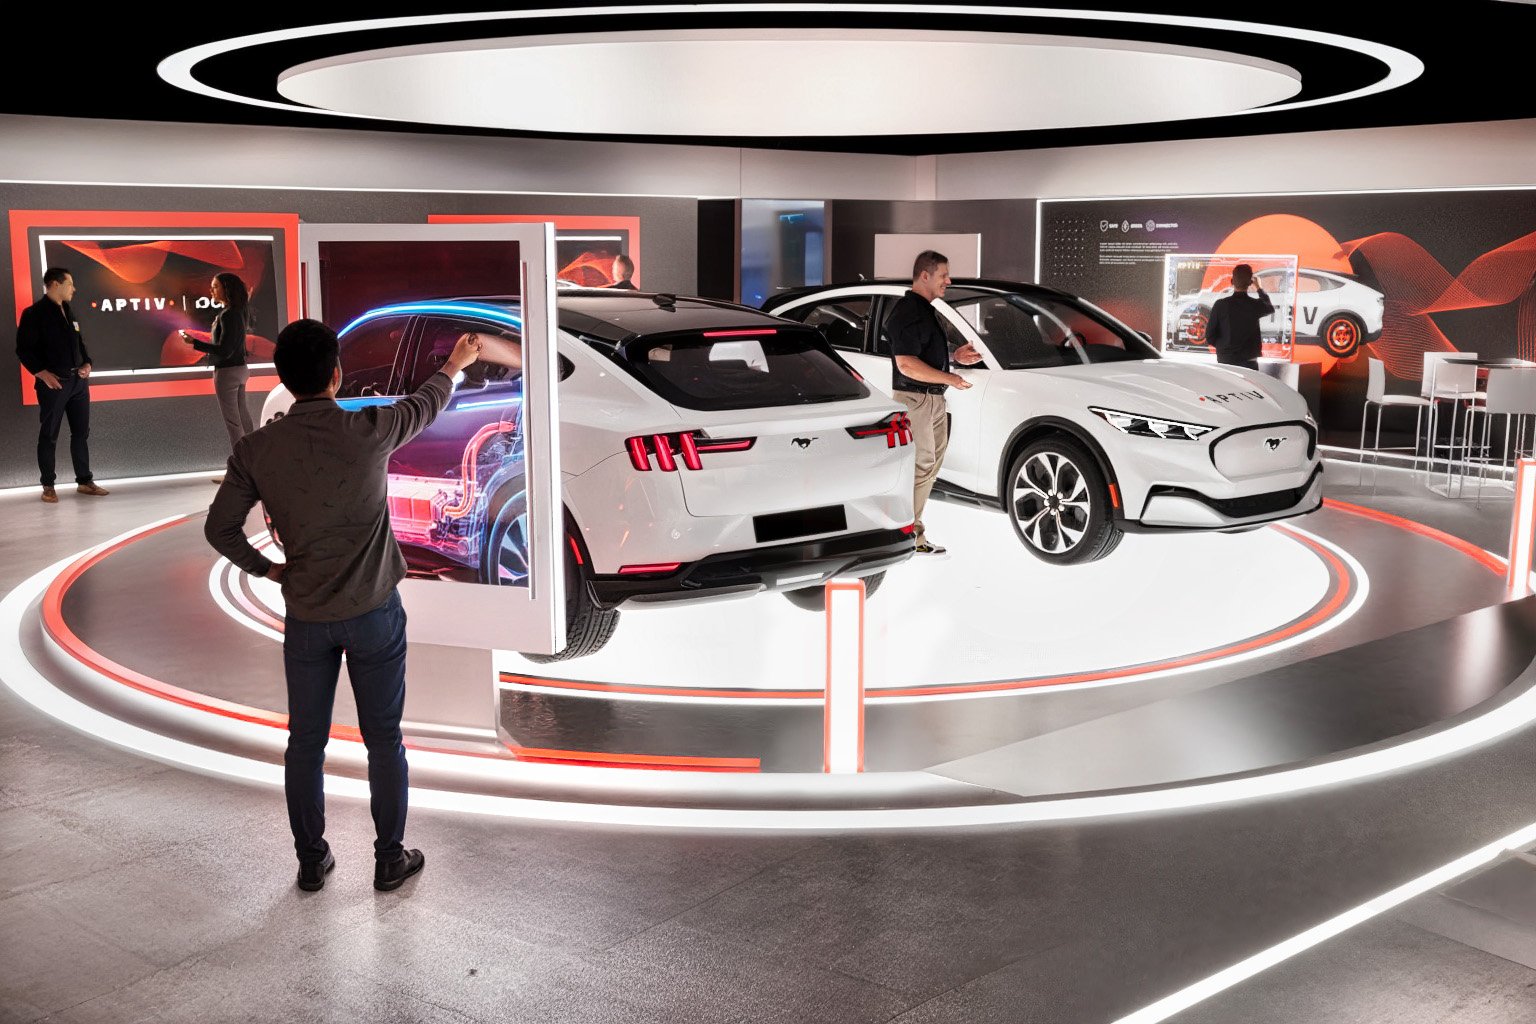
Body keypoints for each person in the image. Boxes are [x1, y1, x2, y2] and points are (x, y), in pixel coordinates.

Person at [204, 319, 482, 893]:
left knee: (306, 742)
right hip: (375, 611)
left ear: (282, 377)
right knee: (385, 741)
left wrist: (269, 569)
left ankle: (311, 861)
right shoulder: (368, 431)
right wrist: (454, 363)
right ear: (336, 374)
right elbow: (425, 405)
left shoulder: (256, 449)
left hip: (307, 616)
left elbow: (220, 528)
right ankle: (388, 858)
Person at [884, 250, 982, 555]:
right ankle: (906, 536)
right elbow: (907, 365)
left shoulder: (924, 311)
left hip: (931, 400)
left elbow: (921, 351)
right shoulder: (908, 311)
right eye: (943, 275)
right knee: (921, 467)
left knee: (928, 467)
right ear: (924, 275)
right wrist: (950, 378)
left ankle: (911, 533)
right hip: (917, 400)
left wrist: (955, 357)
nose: (948, 281)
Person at [15, 267, 108, 503]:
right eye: (70, 283)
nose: (74, 289)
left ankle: (85, 481)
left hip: (78, 383)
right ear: (55, 284)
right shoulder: (34, 313)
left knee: (81, 433)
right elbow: (23, 350)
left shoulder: (68, 310)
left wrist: (87, 363)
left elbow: (78, 342)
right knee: (49, 435)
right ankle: (48, 485)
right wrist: (41, 373)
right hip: (54, 385)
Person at [183, 272, 255, 452]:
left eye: (215, 287)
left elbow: (224, 349)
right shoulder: (239, 312)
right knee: (242, 415)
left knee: (233, 422)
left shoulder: (228, 315)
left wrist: (195, 343)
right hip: (240, 369)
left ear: (226, 289)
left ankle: (239, 466)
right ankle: (251, 459)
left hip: (227, 372)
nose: (211, 290)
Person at [1206, 264, 1274, 370]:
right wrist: (1259, 288)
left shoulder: (1220, 305)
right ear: (1250, 283)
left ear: (1232, 281)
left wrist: (1224, 348)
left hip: (1226, 360)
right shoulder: (1255, 305)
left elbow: (1210, 336)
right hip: (1249, 362)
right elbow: (1269, 308)